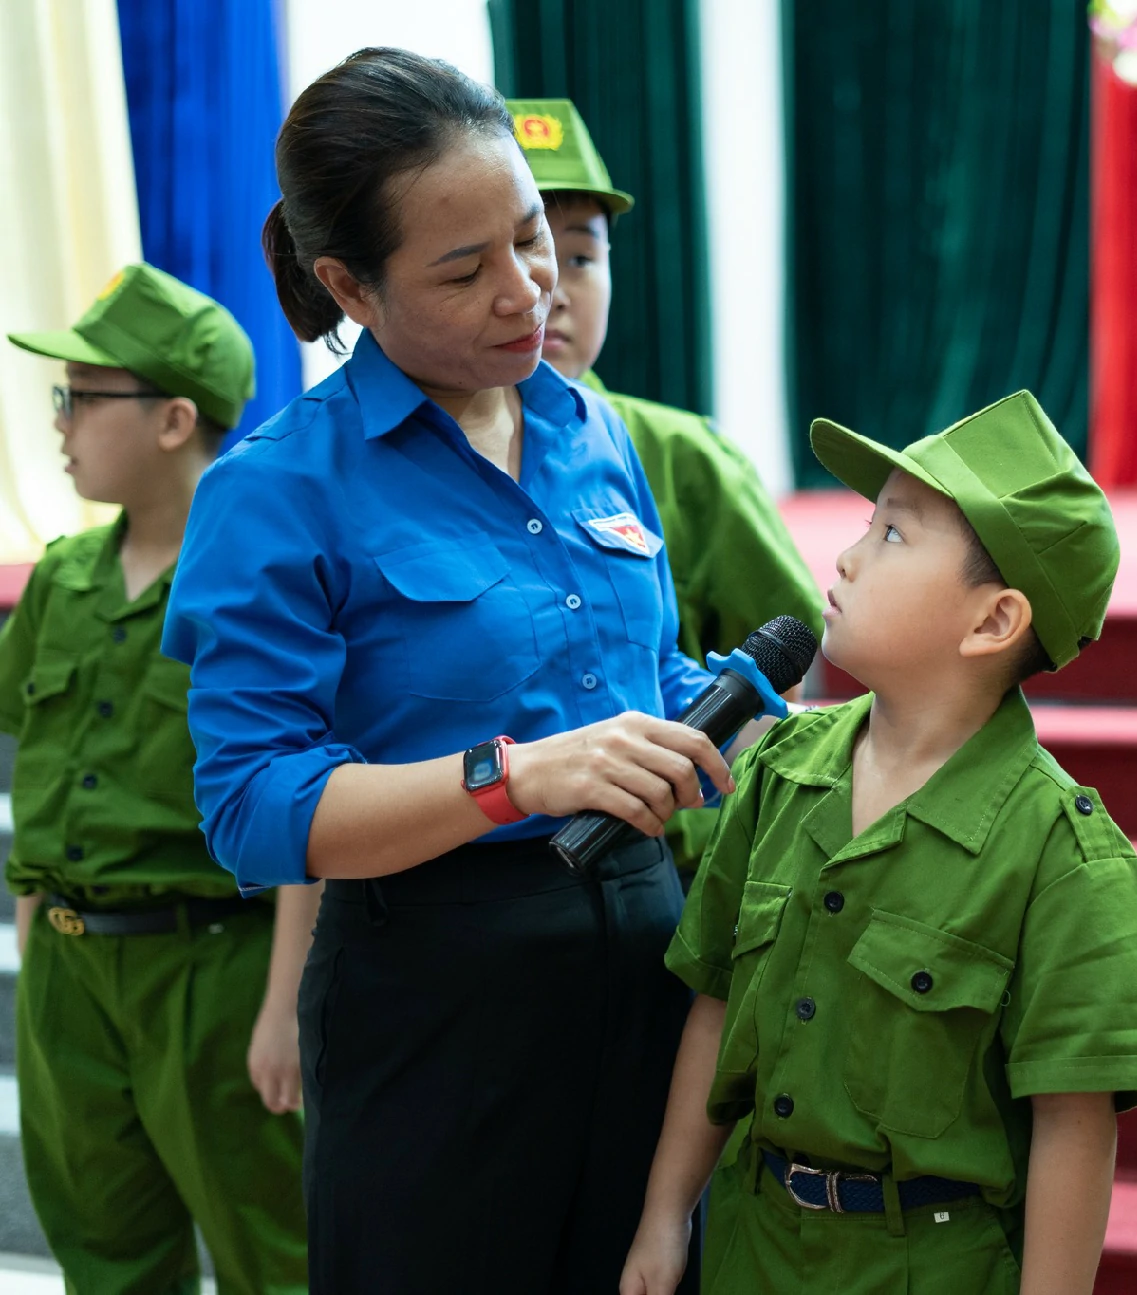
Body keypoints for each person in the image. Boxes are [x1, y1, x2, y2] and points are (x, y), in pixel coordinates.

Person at [159, 49, 738, 1293]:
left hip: (645, 957)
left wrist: (733, 717)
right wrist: (511, 775)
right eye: (465, 271)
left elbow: (639, 671)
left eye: (533, 239)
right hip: (437, 993)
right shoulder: (280, 488)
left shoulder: (592, 429)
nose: (527, 292)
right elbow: (252, 804)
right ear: (348, 286)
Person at [617, 391, 1137, 1295]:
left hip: (928, 1264)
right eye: (868, 525)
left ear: (994, 621)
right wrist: (666, 1213)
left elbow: (1073, 1123)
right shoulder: (781, 769)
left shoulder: (1063, 854)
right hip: (755, 1240)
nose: (847, 556)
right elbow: (714, 1004)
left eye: (895, 535)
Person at [1, 263, 310, 1292]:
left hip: (209, 964)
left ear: (175, 419)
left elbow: (303, 800)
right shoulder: (63, 578)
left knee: (276, 1246)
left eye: (84, 397)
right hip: (71, 968)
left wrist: (284, 1003)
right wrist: (36, 916)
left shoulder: (252, 582)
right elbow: (36, 752)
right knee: (103, 1247)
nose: (60, 422)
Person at [508, 97, 823, 872]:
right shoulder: (402, 472)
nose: (553, 289)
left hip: (673, 872)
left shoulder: (686, 457)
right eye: (522, 252)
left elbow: (783, 659)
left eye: (582, 258)